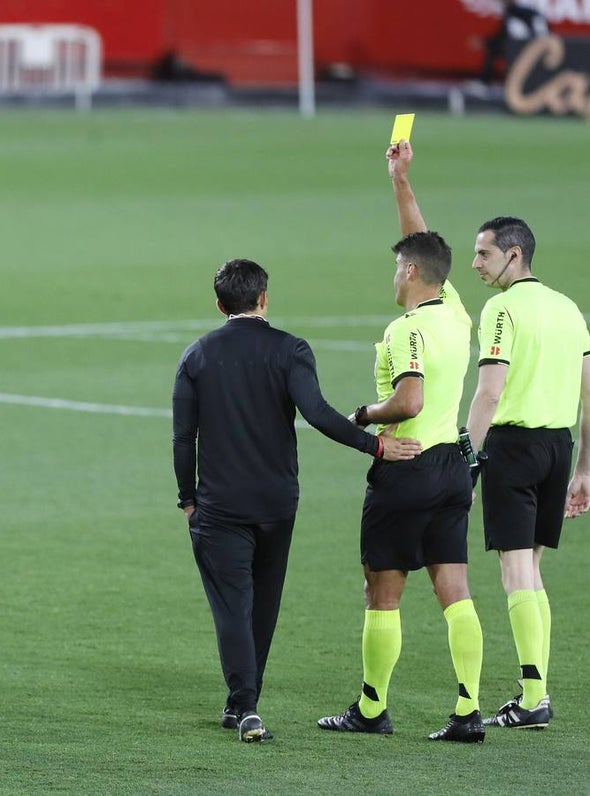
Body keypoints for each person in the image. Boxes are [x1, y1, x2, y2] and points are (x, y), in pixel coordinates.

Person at [172, 258, 421, 744]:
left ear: (220, 304)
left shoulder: (196, 356)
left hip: (219, 506)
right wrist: (375, 445)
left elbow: (184, 438)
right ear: (263, 298)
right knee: (263, 602)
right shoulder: (290, 350)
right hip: (277, 502)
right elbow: (320, 414)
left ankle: (245, 706)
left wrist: (187, 497)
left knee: (232, 606)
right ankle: (243, 699)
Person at [317, 141, 485, 743]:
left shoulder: (405, 328)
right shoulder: (456, 310)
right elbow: (425, 246)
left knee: (382, 591)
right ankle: (468, 712)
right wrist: (400, 182)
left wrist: (365, 412)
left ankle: (371, 709)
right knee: (455, 592)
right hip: (451, 468)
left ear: (409, 274)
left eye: (397, 267)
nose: (394, 273)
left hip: (406, 465)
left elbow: (408, 401)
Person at [464, 212, 590, 730]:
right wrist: (584, 467)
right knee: (532, 571)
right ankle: (535, 690)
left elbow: (490, 391)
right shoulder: (569, 308)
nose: (475, 264)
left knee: (515, 571)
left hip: (513, 448)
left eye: (484, 254)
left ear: (514, 255)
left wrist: (465, 459)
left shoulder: (501, 309)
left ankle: (534, 697)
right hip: (559, 448)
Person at [480, 0, 549, 85]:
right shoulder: (510, 15)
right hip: (514, 45)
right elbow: (501, 35)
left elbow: (537, 27)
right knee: (493, 50)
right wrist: (486, 42)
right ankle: (485, 81)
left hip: (528, 45)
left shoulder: (521, 12)